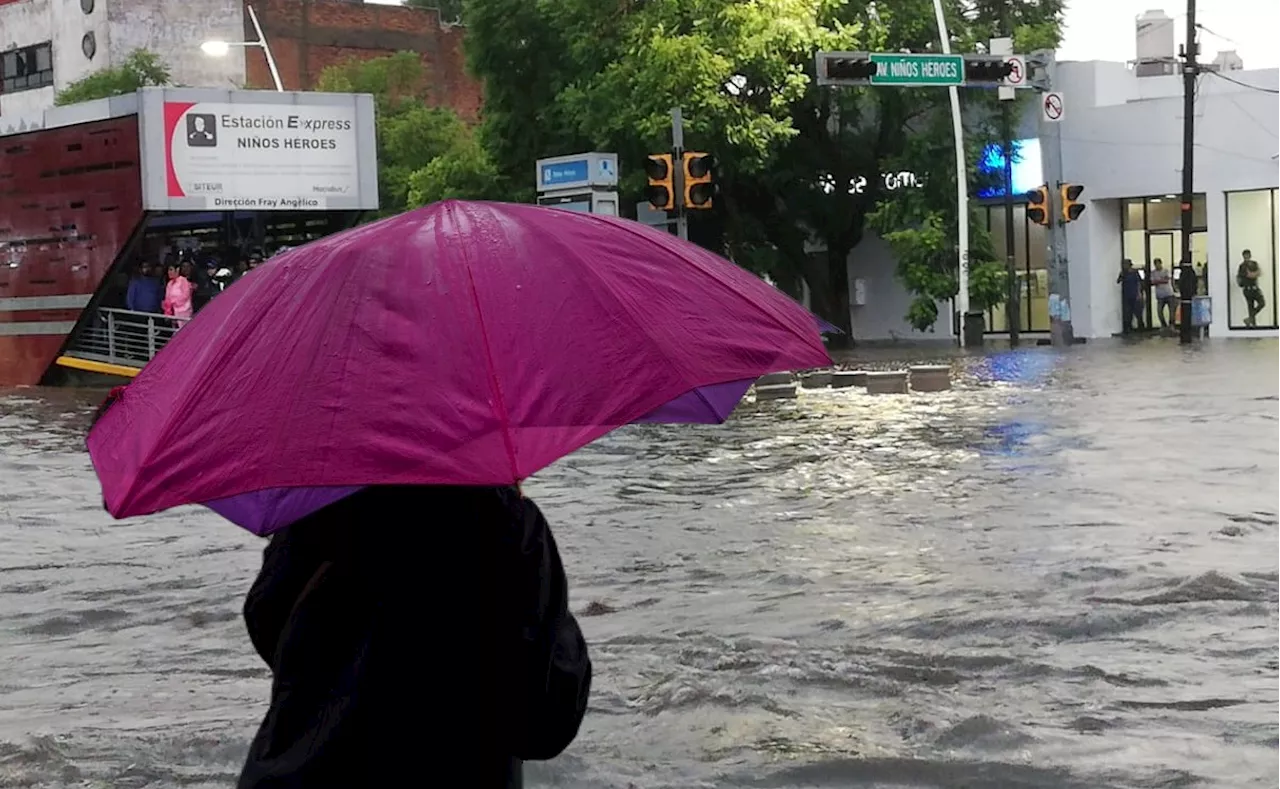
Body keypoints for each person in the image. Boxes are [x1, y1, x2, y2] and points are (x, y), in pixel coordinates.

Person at [236, 485, 591, 789]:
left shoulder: (314, 508)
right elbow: (544, 721)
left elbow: (268, 622)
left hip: (297, 772)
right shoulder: (503, 521)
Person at [1236, 249, 1265, 327]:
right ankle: (1253, 323)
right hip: (1247, 289)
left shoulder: (1254, 263)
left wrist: (1255, 273)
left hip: (1255, 288)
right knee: (1250, 307)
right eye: (1245, 256)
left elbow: (1260, 272)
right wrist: (1255, 273)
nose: (1247, 257)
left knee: (1262, 303)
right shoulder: (1242, 266)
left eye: (1248, 255)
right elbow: (1249, 275)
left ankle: (1250, 319)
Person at [1117, 259, 1144, 333]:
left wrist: (1139, 293)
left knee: (1137, 311)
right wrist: (1121, 276)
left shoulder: (1135, 272)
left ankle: (1141, 327)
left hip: (1134, 294)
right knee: (1128, 312)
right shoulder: (1123, 273)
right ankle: (1129, 327)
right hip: (1127, 294)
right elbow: (1118, 281)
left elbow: (1139, 282)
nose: (1124, 266)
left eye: (1125, 264)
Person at [1149, 259, 1175, 329]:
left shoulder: (1166, 270)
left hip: (1169, 293)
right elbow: (1152, 282)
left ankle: (1171, 325)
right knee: (1159, 311)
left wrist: (1157, 281)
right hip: (1160, 295)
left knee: (1171, 311)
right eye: (1156, 264)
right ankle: (1163, 325)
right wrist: (1161, 280)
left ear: (1161, 263)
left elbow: (1166, 280)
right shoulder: (1153, 273)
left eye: (1158, 264)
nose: (1157, 265)